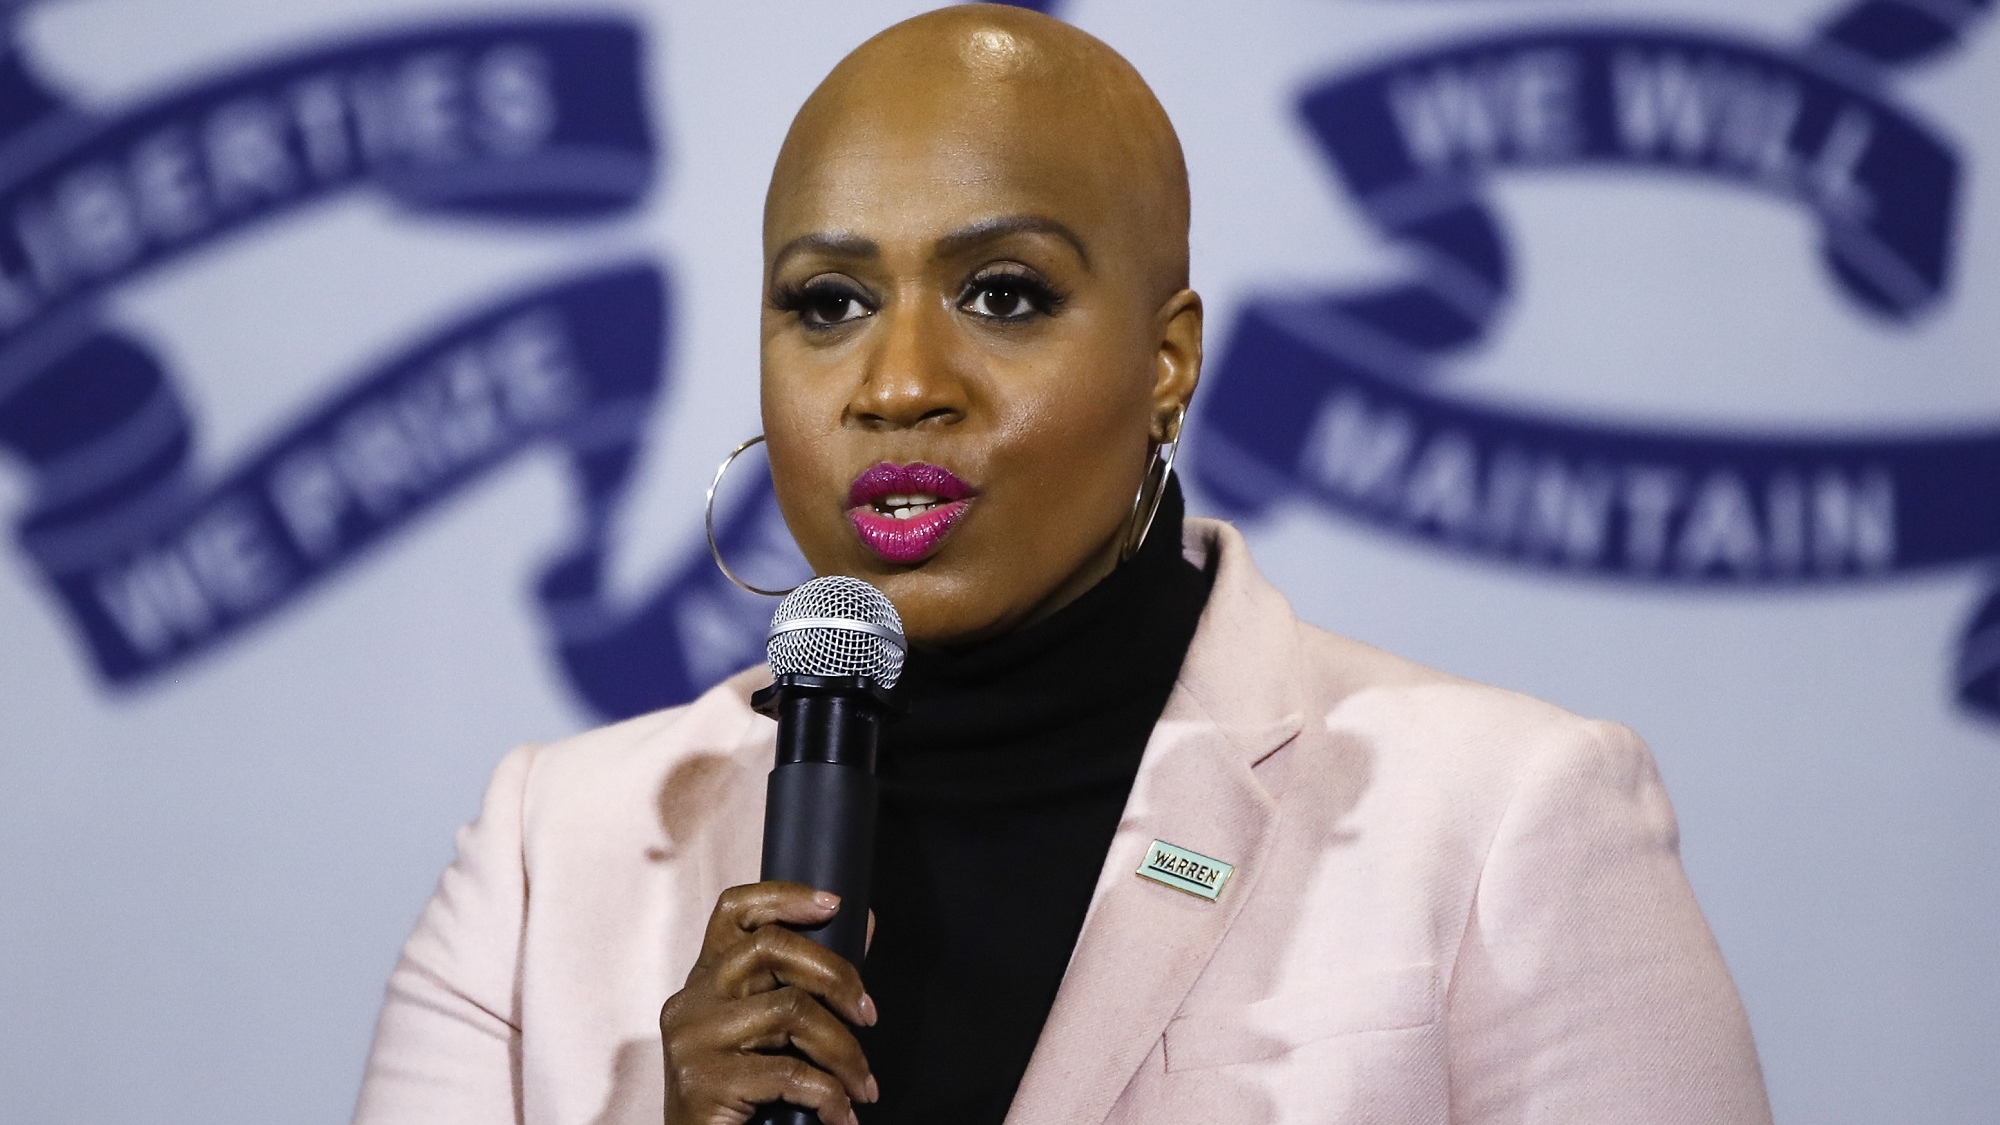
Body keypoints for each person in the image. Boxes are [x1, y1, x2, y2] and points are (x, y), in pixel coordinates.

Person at [353, 6, 1772, 1124]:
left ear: (1169, 361)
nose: (899, 381)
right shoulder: (554, 850)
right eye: (828, 302)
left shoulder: (1501, 817)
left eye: (1004, 294)